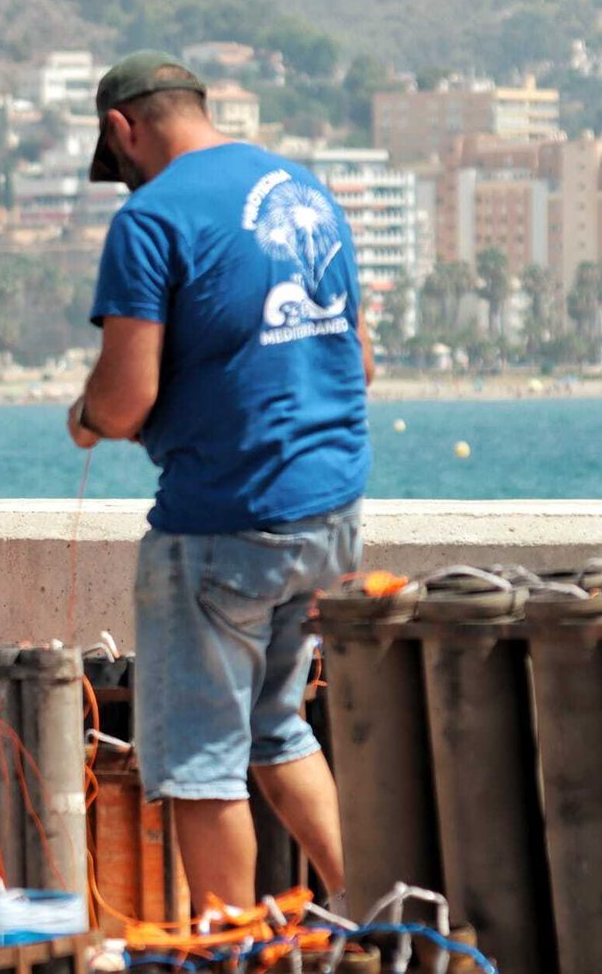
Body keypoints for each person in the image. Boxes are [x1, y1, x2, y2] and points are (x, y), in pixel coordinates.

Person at [66, 51, 373, 912]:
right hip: (330, 515)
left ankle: (231, 945)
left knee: (200, 763)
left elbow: (127, 401)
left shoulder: (152, 219)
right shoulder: (303, 190)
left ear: (122, 129)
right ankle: (376, 913)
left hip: (223, 529)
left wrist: (84, 417)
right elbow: (360, 360)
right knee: (277, 729)